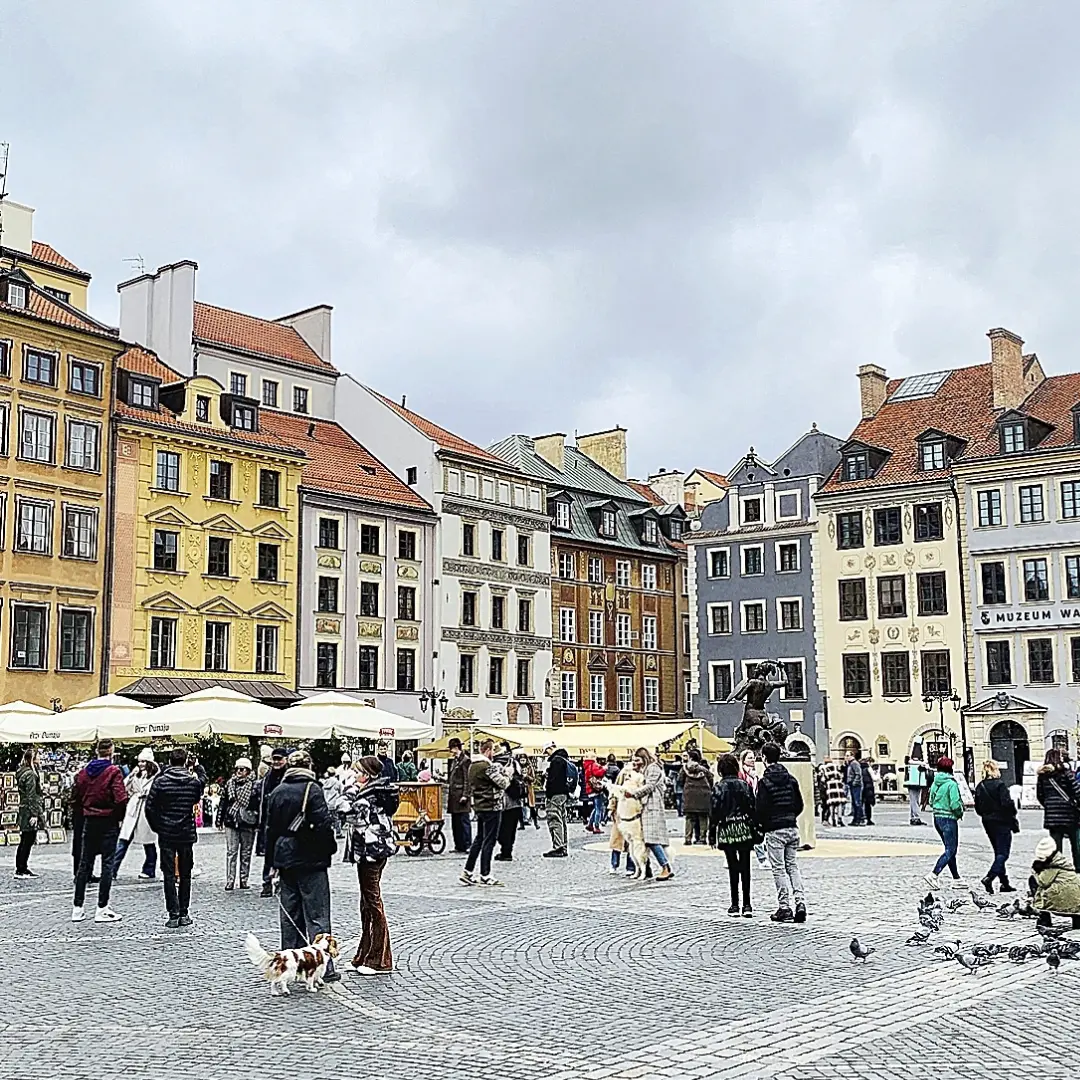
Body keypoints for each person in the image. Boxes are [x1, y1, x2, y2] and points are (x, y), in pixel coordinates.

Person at [265, 750, 339, 980]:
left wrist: (271, 863)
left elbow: (269, 829)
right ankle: (323, 968)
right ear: (309, 766)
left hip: (285, 858)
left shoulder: (278, 791)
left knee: (290, 914)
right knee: (317, 915)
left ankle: (291, 965)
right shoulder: (312, 789)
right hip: (311, 858)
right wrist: (329, 849)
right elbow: (323, 824)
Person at [342, 755, 399, 975]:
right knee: (367, 903)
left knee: (373, 903)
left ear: (367, 775)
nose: (354, 775)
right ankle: (363, 955)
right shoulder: (375, 791)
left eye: (357, 772)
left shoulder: (369, 795)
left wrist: (348, 789)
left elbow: (347, 813)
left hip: (371, 851)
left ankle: (379, 959)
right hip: (372, 850)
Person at [144, 749, 207, 928]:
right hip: (186, 833)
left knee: (169, 874)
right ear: (185, 761)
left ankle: (173, 914)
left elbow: (149, 807)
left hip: (166, 833)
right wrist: (198, 767)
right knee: (186, 874)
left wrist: (158, 826)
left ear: (170, 761)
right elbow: (200, 788)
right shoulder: (193, 782)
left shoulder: (160, 782)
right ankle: (184, 913)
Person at [71, 739, 128, 924]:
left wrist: (84, 811)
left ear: (97, 751)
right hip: (108, 820)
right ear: (111, 752)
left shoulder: (83, 773)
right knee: (107, 864)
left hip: (89, 820)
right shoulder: (113, 771)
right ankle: (102, 908)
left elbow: (75, 797)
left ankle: (77, 908)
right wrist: (118, 816)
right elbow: (121, 798)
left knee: (85, 864)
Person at [756, 742, 806, 922]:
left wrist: (763, 824)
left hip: (775, 829)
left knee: (778, 869)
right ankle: (800, 902)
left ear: (764, 758)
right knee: (792, 866)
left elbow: (760, 808)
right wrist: (790, 816)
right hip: (792, 827)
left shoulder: (764, 782)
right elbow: (799, 804)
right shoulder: (791, 779)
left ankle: (784, 907)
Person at [713, 753, 757, 917]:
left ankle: (734, 904)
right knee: (745, 866)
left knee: (733, 867)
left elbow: (714, 811)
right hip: (743, 827)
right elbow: (752, 807)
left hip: (727, 828)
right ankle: (747, 904)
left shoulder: (719, 787)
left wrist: (712, 833)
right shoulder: (744, 785)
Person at [460, 739, 509, 886]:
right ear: (488, 750)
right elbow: (503, 783)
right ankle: (485, 874)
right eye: (493, 750)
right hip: (492, 806)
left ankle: (467, 871)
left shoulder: (472, 765)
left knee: (479, 839)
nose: (493, 753)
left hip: (479, 805)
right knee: (489, 840)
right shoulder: (486, 765)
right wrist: (507, 774)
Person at [112, 748, 160, 881]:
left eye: (143, 761)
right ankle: (112, 870)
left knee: (148, 842)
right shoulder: (136, 774)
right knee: (123, 840)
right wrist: (131, 776)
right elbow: (124, 787)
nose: (140, 764)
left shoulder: (156, 776)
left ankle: (149, 869)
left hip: (146, 809)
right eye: (139, 761)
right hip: (133, 808)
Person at [973, 759, 1018, 894]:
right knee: (1003, 853)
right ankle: (989, 877)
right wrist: (1012, 813)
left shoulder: (980, 786)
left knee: (998, 852)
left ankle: (1004, 883)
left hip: (988, 822)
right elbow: (1007, 804)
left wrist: (986, 814)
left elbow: (977, 807)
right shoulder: (1000, 785)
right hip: (1002, 821)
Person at [632, 748, 673, 881]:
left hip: (652, 807)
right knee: (649, 839)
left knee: (652, 840)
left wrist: (634, 794)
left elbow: (649, 786)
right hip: (648, 807)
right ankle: (653, 868)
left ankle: (665, 867)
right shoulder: (647, 768)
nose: (635, 762)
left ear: (644, 758)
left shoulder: (653, 768)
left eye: (637, 759)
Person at [253, 747, 289, 897]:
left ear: (286, 759)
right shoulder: (268, 778)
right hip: (269, 822)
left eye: (279, 759)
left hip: (286, 822)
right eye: (274, 759)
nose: (276, 762)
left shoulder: (288, 776)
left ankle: (283, 883)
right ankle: (267, 883)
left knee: (285, 853)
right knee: (269, 855)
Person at [1036, 749, 1080, 871]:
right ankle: (1078, 868)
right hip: (1070, 814)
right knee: (1076, 844)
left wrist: (1049, 805)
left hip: (1052, 816)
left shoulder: (1042, 776)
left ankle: (1057, 869)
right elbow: (1077, 791)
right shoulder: (1065, 773)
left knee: (1056, 845)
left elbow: (1040, 795)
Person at [925, 756, 965, 890]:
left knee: (949, 848)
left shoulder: (935, 782)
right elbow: (955, 804)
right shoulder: (951, 784)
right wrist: (960, 812)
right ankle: (934, 874)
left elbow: (930, 801)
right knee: (951, 849)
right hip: (949, 818)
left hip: (937, 818)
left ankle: (956, 878)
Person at [220, 756, 258, 890]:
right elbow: (223, 803)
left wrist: (257, 820)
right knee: (232, 852)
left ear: (248, 770)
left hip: (248, 822)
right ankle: (230, 880)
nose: (239, 771)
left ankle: (244, 879)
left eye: (242, 769)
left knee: (246, 853)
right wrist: (220, 819)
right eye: (237, 769)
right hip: (231, 821)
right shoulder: (229, 784)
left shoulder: (254, 786)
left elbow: (257, 805)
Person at [1031, 835, 1080, 930]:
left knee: (1034, 883)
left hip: (1060, 899)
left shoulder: (1051, 867)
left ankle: (1044, 917)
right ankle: (1077, 922)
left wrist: (1035, 873)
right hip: (1077, 900)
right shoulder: (1064, 863)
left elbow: (1042, 882)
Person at [14, 749, 44, 880]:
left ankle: (21, 867)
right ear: (33, 758)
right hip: (29, 809)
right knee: (28, 840)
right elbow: (31, 795)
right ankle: (21, 868)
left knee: (25, 839)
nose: (40, 759)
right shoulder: (31, 774)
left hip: (24, 808)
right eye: (38, 756)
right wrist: (34, 814)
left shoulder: (22, 771)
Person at [543, 743, 575, 858]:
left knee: (554, 819)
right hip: (563, 794)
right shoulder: (564, 759)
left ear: (550, 748)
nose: (547, 755)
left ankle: (558, 847)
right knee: (562, 819)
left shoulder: (556, 761)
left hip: (555, 794)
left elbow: (554, 781)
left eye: (547, 751)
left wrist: (548, 793)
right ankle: (563, 846)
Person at [495, 743, 524, 862]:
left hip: (503, 801)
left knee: (502, 828)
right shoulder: (514, 762)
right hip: (515, 800)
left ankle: (506, 851)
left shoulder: (495, 764)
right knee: (510, 828)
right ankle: (507, 851)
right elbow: (521, 777)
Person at [680, 749, 713, 845]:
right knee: (703, 818)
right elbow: (711, 780)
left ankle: (688, 839)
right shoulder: (704, 770)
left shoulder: (684, 769)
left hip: (689, 795)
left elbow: (680, 780)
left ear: (690, 758)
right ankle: (702, 838)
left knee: (689, 818)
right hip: (704, 795)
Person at [446, 738, 472, 853]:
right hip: (454, 796)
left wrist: (465, 794)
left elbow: (467, 779)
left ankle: (467, 844)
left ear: (456, 748)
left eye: (451, 749)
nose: (450, 751)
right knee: (455, 822)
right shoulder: (455, 760)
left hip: (461, 796)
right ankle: (459, 845)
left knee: (464, 821)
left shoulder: (465, 760)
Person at [817, 756, 845, 827]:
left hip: (830, 786)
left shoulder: (824, 768)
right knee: (839, 803)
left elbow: (823, 779)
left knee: (831, 803)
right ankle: (839, 819)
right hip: (838, 786)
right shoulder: (836, 766)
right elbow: (841, 776)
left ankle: (833, 820)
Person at [584, 755, 607, 834]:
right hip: (596, 789)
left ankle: (590, 824)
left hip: (590, 789)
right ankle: (596, 827)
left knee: (596, 807)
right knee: (599, 809)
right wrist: (604, 769)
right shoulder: (593, 765)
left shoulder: (586, 766)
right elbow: (599, 773)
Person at [903, 756, 927, 825]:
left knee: (914, 800)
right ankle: (916, 817)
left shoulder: (909, 763)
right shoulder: (918, 763)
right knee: (915, 800)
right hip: (916, 782)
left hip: (913, 782)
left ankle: (913, 817)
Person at [518, 754, 539, 829]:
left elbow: (533, 779)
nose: (522, 762)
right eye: (521, 760)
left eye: (524, 760)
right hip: (520, 789)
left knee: (531, 807)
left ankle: (536, 823)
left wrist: (527, 776)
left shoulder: (530, 767)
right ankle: (522, 824)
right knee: (520, 807)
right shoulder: (518, 767)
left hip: (528, 789)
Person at [844, 750, 864, 826]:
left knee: (857, 802)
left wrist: (854, 782)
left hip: (856, 786)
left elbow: (858, 774)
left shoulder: (854, 763)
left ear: (852, 756)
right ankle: (855, 819)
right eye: (846, 755)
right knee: (854, 803)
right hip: (852, 785)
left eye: (848, 755)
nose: (846, 757)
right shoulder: (850, 764)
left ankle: (859, 819)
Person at [860, 756, 876, 827]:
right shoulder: (869, 769)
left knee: (861, 803)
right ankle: (868, 819)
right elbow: (875, 778)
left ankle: (862, 818)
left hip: (862, 787)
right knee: (868, 804)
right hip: (868, 787)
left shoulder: (860, 768)